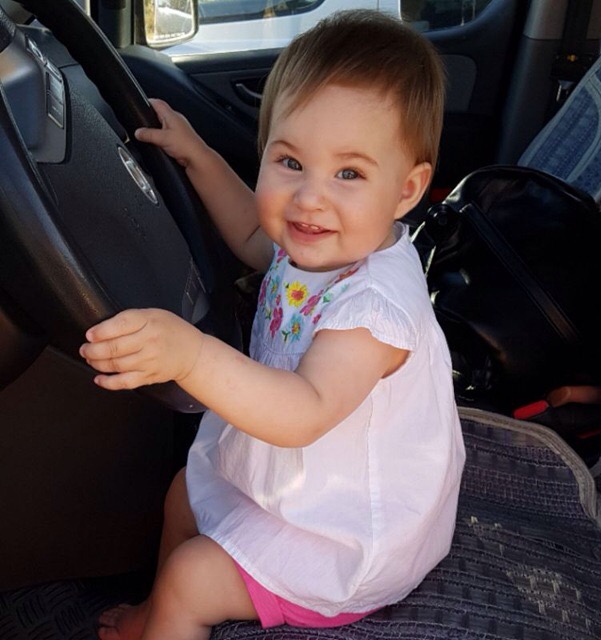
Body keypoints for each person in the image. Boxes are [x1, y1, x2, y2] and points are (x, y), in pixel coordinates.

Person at [80, 9, 465, 640]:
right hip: (295, 482)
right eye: (290, 162)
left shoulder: (374, 310)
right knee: (183, 494)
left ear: (407, 190)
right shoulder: (324, 243)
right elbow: (254, 236)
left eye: (348, 173)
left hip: (345, 535)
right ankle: (154, 617)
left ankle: (169, 614)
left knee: (190, 579)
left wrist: (191, 356)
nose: (310, 197)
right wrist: (198, 156)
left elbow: (304, 411)